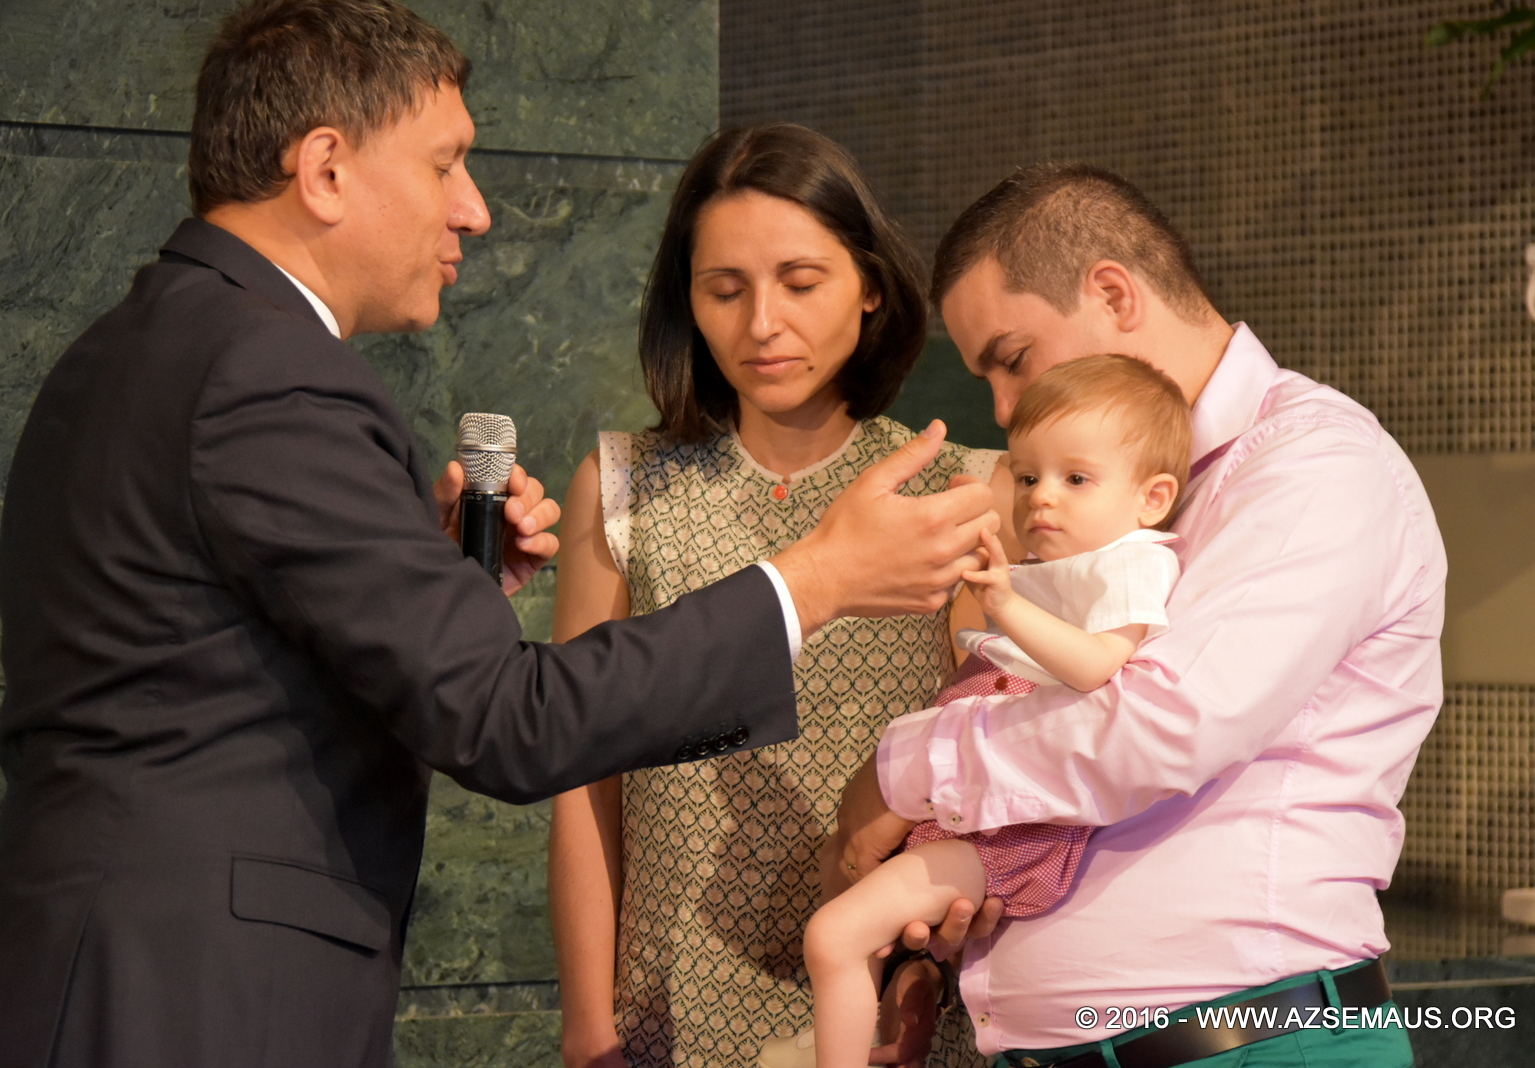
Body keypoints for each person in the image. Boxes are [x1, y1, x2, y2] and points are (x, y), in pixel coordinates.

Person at [0, 5, 998, 1067]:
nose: (476, 210)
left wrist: (434, 577)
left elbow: (214, 652)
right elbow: (509, 722)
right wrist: (812, 580)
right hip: (180, 993)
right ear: (325, 170)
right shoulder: (266, 373)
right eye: (445, 162)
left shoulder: (144, 341)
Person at [829, 163, 1445, 1067]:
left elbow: (1160, 726)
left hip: (1250, 1045)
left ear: (1114, 294)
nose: (1004, 409)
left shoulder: (1313, 467)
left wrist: (908, 769)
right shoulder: (1080, 499)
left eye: (1012, 358)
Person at [548, 123, 1005, 1068]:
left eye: (800, 283)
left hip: (895, 1004)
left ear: (870, 285)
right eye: (725, 290)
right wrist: (589, 1022)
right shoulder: (625, 486)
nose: (762, 324)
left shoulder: (960, 490)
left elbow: (995, 752)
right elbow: (581, 775)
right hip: (671, 1002)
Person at [791, 354, 1187, 1068]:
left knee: (834, 935)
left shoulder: (1135, 560)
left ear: (1152, 497)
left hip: (1004, 826)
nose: (1042, 499)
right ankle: (890, 1016)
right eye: (1029, 478)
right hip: (968, 801)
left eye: (1075, 479)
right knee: (848, 884)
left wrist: (1003, 603)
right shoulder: (1054, 567)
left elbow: (1095, 665)